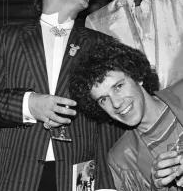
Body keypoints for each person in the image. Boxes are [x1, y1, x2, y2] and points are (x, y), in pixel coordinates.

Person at [0, 0, 118, 191]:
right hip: (18, 174)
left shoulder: (100, 44)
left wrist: (106, 186)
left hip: (80, 175)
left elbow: (109, 120)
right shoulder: (7, 37)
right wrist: (29, 105)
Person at [70, 38, 183, 191]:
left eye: (118, 87)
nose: (115, 103)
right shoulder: (120, 160)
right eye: (103, 99)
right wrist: (157, 187)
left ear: (138, 77)